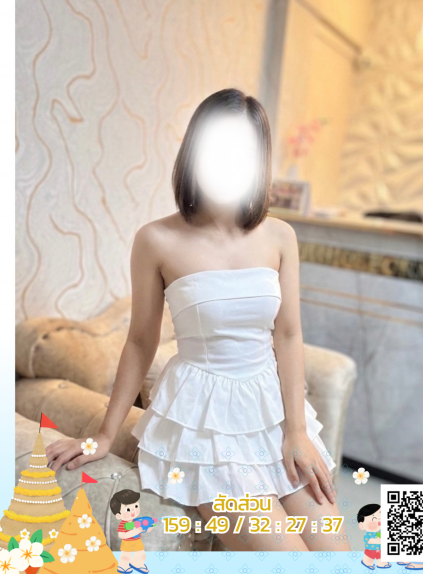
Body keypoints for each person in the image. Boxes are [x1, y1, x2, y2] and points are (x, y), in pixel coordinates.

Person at [45, 88, 350, 553]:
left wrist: (297, 431)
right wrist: (104, 434)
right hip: (202, 425)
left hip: (269, 410)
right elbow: (140, 341)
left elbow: (288, 335)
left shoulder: (280, 236)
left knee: (337, 555)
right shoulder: (156, 240)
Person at [110, 489, 148, 574]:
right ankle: (123, 566)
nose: (133, 510)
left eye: (136, 506)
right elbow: (121, 535)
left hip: (137, 541)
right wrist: (137, 531)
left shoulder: (137, 521)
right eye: (128, 509)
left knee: (142, 555)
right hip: (127, 542)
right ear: (118, 516)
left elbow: (144, 529)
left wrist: (148, 527)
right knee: (126, 556)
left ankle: (137, 563)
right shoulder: (123, 524)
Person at [358, 504, 391, 570]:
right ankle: (366, 562)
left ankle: (381, 563)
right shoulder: (368, 535)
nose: (376, 521)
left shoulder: (379, 532)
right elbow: (374, 541)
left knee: (381, 557)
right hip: (371, 551)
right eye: (373, 519)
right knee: (369, 558)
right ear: (361, 525)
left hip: (380, 550)